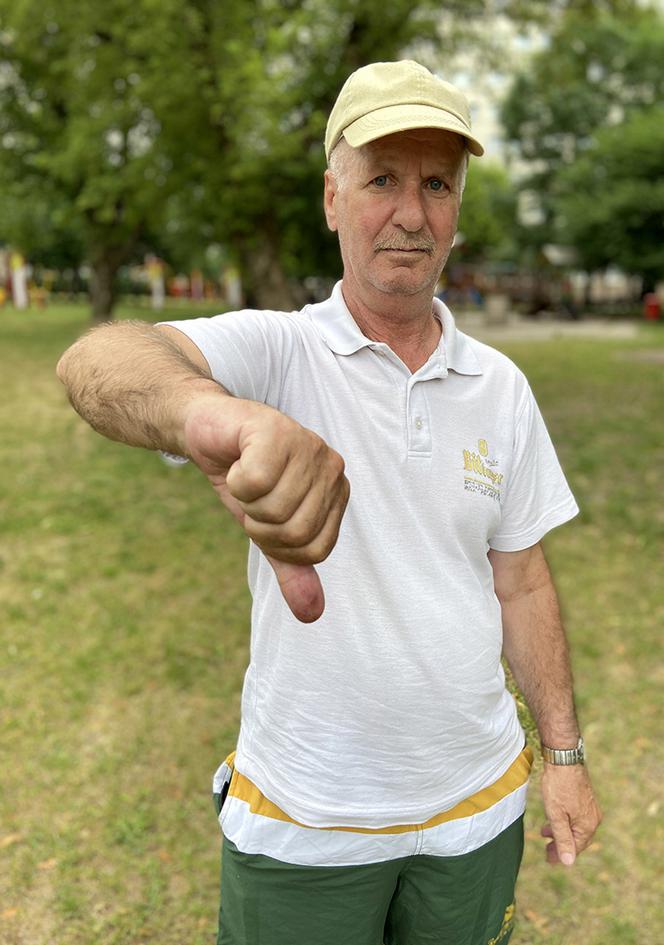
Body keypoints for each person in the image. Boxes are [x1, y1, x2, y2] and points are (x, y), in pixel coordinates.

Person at [57, 60, 601, 945]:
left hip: (477, 812)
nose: (412, 211)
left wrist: (567, 756)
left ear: (458, 212)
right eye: (382, 177)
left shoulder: (500, 387)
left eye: (437, 183)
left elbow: (524, 582)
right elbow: (99, 362)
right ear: (332, 197)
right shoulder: (279, 353)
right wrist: (209, 414)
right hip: (308, 821)